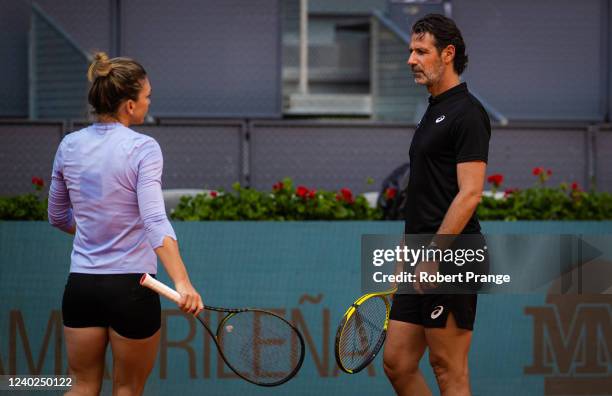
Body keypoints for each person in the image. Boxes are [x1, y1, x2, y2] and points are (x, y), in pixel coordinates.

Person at [48, 52, 204, 396]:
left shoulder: (68, 145)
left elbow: (58, 216)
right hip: (132, 289)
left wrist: (97, 228)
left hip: (82, 288)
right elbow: (153, 219)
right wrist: (183, 282)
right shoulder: (144, 148)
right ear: (129, 105)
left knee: (82, 386)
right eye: (147, 97)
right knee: (127, 389)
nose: (149, 103)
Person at [382, 14, 491, 396]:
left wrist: (432, 256)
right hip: (419, 252)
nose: (411, 59)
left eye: (420, 51)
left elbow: (470, 193)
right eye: (411, 50)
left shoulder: (469, 113)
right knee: (397, 362)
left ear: (447, 54)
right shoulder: (431, 110)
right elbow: (426, 189)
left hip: (452, 256)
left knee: (448, 369)